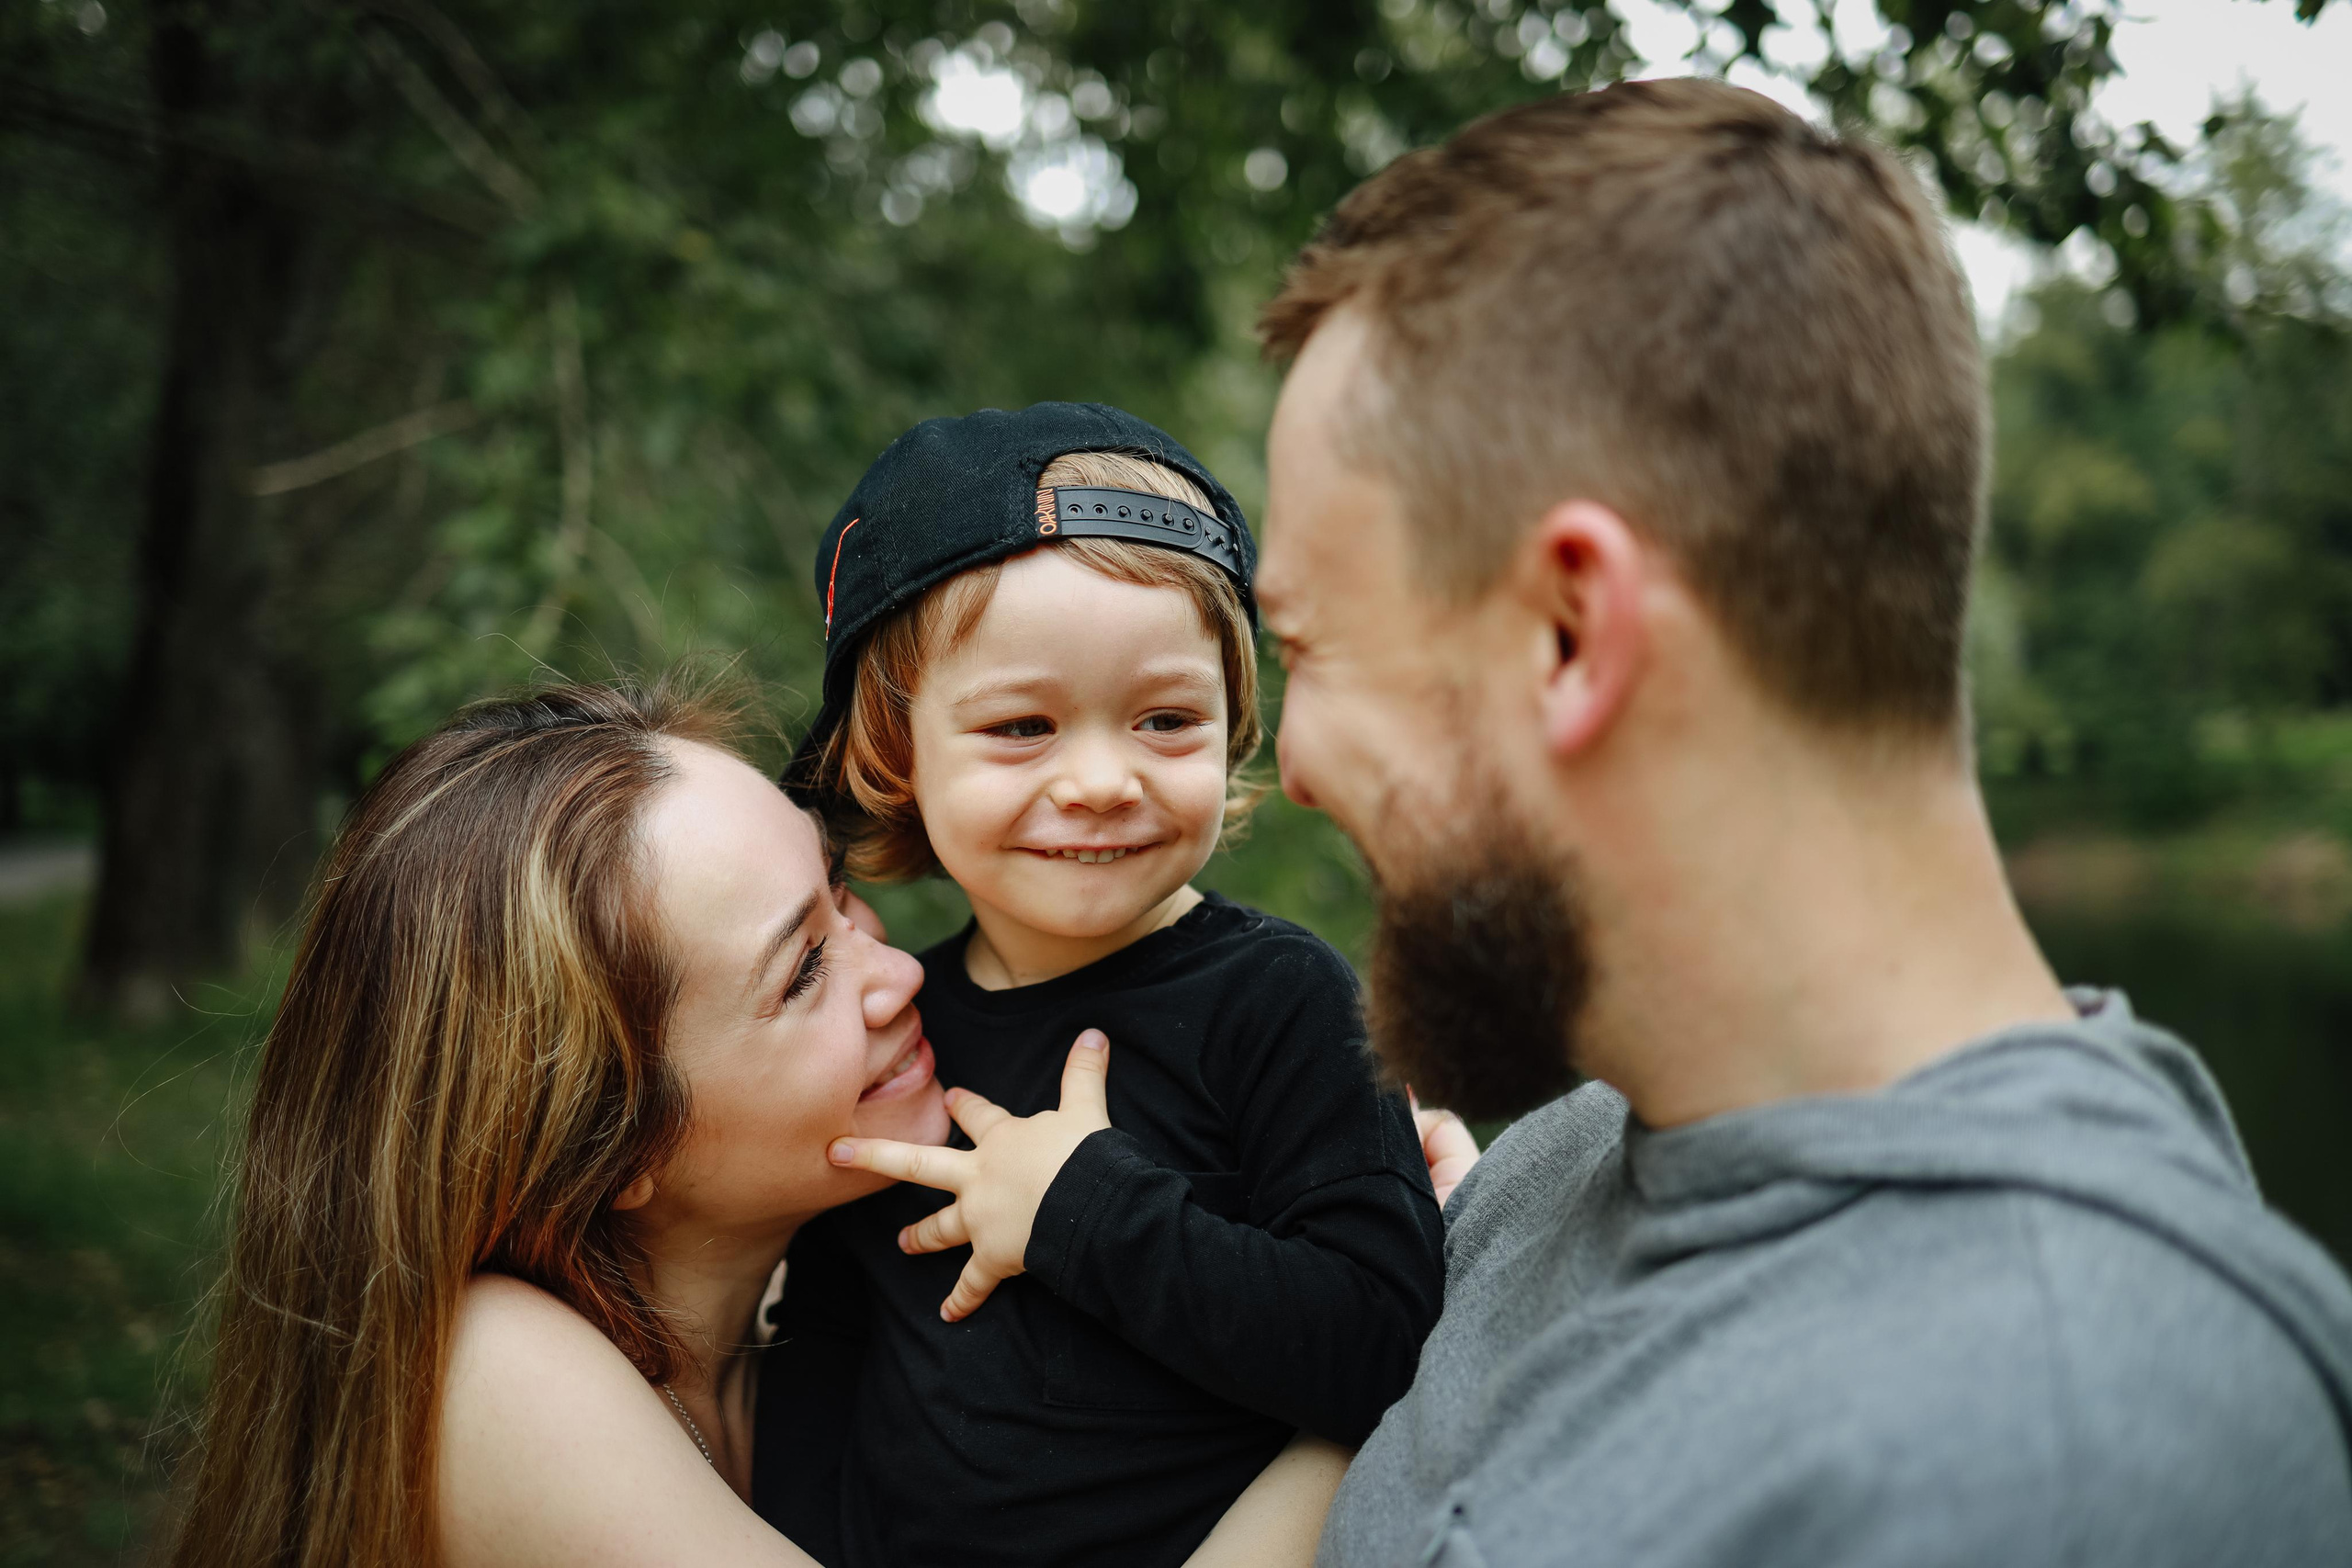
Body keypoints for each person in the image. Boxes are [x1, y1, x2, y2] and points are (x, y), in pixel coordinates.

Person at [1242, 79, 2352, 1567]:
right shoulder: (1567, 1154)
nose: (1291, 760)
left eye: (1307, 649)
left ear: (1573, 631)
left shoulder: (2062, 1452)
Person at [164, 679, 1359, 1568]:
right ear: (609, 1140)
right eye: (801, 973)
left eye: (844, 899)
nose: (893, 974)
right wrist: (1374, 1394)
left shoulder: (817, 1318)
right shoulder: (492, 1374)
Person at [755, 402, 1448, 1568]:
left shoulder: (1285, 1003)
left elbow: (1387, 1343)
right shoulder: (893, 1036)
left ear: (1233, 726)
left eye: (1165, 720)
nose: (1099, 779)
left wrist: (1086, 1215)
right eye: (1023, 726)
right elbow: (826, 1359)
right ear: (896, 756)